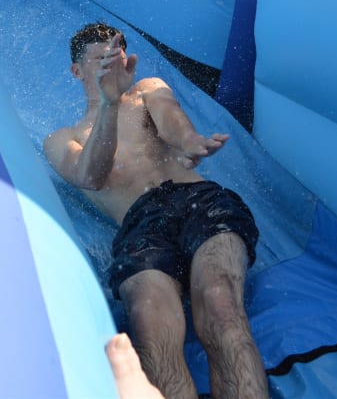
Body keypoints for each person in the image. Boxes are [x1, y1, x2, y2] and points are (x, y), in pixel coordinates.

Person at [44, 23, 268, 399]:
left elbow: (172, 121)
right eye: (100, 60)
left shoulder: (147, 89)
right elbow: (91, 176)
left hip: (197, 200)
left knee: (219, 302)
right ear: (77, 71)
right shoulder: (61, 138)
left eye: (117, 58)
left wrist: (191, 142)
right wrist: (108, 104)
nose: (111, 67)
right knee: (152, 334)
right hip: (140, 226)